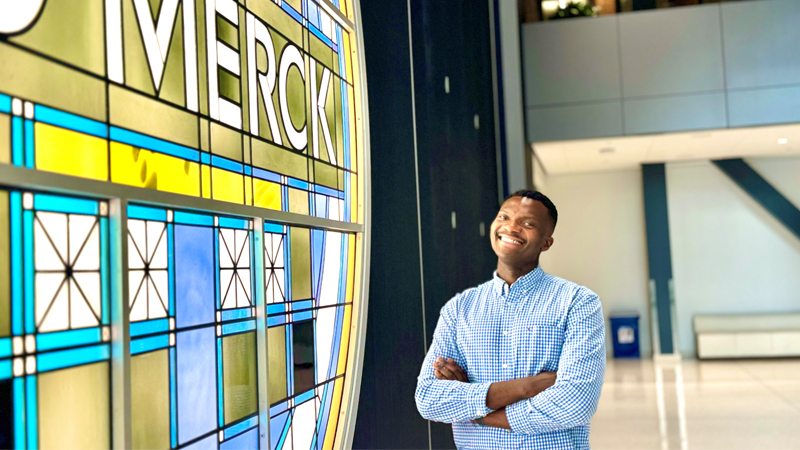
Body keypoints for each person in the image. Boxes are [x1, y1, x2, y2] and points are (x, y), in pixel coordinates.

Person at [415, 190, 605, 449]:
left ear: (546, 243)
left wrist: (480, 413)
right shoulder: (458, 309)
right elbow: (428, 398)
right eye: (504, 216)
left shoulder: (577, 302)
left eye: (528, 223)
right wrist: (526, 387)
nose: (511, 227)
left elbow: (575, 403)